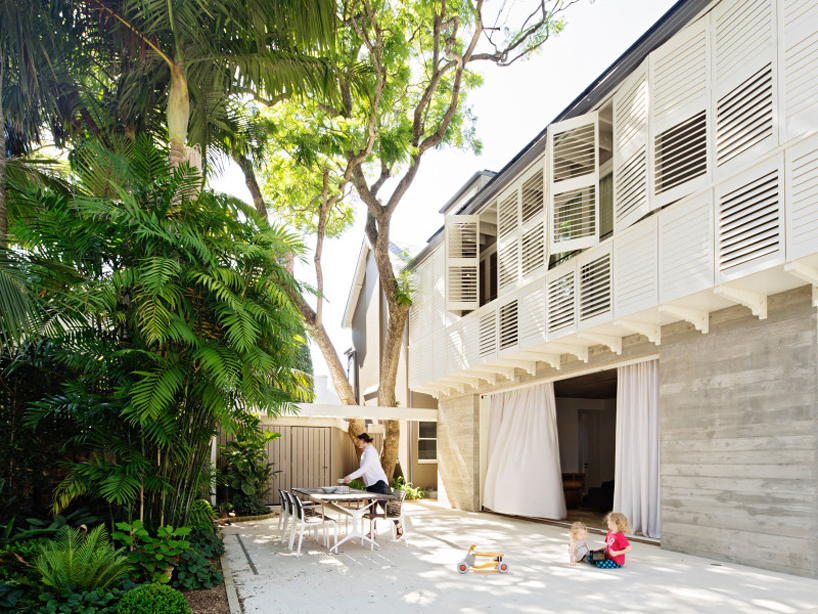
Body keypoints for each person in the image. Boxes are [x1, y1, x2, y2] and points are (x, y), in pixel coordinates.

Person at [342, 433, 404, 539]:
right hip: (371, 484)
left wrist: (350, 477)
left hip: (378, 483)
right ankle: (372, 532)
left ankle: (399, 526)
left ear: (364, 440)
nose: (357, 442)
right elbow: (365, 471)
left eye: (358, 440)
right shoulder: (365, 453)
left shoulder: (370, 451)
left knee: (383, 505)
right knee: (372, 508)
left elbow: (364, 469)